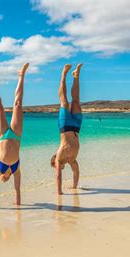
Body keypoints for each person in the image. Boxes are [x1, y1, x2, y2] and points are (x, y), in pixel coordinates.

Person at [0, 63, 29, 209]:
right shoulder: (16, 169)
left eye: (4, 178)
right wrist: (18, 205)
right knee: (18, 104)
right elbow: (18, 189)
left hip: (2, 135)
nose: (4, 178)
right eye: (5, 178)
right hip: (16, 135)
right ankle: (21, 75)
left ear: (2, 178)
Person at [51, 63, 83, 195]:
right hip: (76, 126)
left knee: (64, 102)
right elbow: (76, 172)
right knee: (76, 101)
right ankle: (76, 76)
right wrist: (75, 187)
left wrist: (59, 192)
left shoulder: (59, 157)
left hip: (64, 126)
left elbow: (58, 176)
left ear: (54, 162)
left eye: (55, 167)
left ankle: (63, 75)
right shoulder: (72, 160)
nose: (59, 168)